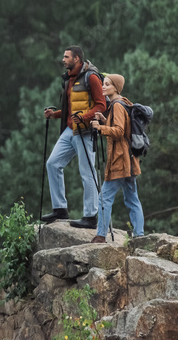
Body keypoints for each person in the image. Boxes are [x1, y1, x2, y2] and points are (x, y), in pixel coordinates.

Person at [41, 46, 106, 229]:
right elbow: (70, 110)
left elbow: (101, 106)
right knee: (52, 163)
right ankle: (60, 209)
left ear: (76, 59)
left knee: (87, 173)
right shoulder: (69, 79)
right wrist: (54, 115)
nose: (63, 59)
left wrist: (84, 117)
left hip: (85, 131)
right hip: (69, 129)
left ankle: (90, 216)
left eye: (66, 57)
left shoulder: (91, 77)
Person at [89, 73, 145, 243]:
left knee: (104, 197)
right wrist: (105, 121)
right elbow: (121, 128)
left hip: (120, 161)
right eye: (103, 84)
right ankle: (140, 235)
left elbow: (119, 131)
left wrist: (100, 128)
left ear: (116, 87)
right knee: (132, 199)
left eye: (107, 84)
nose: (103, 87)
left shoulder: (117, 106)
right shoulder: (123, 104)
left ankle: (100, 235)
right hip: (129, 161)